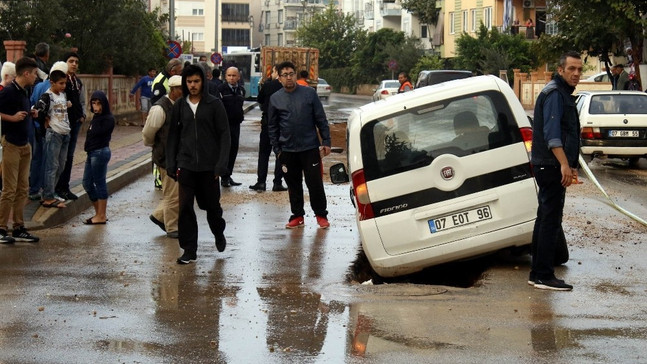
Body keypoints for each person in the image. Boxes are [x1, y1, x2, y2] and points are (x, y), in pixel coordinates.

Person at [166, 64, 231, 264]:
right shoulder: (179, 106)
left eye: (196, 81)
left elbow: (224, 135)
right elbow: (173, 137)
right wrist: (171, 163)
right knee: (185, 207)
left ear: (203, 81)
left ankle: (218, 232)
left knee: (211, 207)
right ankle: (189, 250)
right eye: (189, 82)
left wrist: (220, 165)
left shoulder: (214, 104)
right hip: (186, 165)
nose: (193, 85)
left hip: (209, 168)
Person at [529, 50, 582, 291]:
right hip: (550, 165)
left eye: (580, 69)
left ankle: (537, 272)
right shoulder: (555, 94)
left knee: (545, 218)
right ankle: (543, 275)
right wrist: (563, 164)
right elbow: (553, 136)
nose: (576, 74)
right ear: (560, 70)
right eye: (571, 69)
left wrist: (570, 165)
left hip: (550, 164)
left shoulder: (560, 93)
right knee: (550, 220)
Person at [268, 61, 332, 229]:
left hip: (310, 148)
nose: (289, 77)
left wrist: (326, 141)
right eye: (285, 75)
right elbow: (272, 127)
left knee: (315, 183)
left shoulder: (309, 94)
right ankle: (297, 216)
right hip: (287, 150)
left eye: (291, 74)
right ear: (279, 78)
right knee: (293, 185)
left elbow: (321, 119)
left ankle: (321, 215)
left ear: (295, 75)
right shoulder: (275, 98)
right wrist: (277, 150)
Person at [0, 57, 41, 243]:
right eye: (34, 73)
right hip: (11, 144)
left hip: (25, 144)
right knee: (9, 189)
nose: (35, 77)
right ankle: (1, 228)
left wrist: (31, 113)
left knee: (22, 188)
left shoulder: (24, 91)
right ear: (26, 73)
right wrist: (12, 117)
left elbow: (22, 111)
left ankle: (18, 227)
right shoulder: (8, 91)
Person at [142, 75, 183, 239]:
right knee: (173, 195)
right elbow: (148, 133)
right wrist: (158, 147)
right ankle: (172, 227)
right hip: (166, 158)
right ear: (173, 90)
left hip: (179, 157)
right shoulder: (160, 108)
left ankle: (159, 216)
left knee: (178, 192)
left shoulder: (181, 106)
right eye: (181, 89)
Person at [32, 63, 72, 209]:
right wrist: (44, 123)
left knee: (60, 165)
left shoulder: (62, 95)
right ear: (52, 82)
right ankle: (48, 196)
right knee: (52, 166)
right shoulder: (47, 96)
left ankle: (51, 191)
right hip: (54, 134)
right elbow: (37, 109)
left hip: (65, 133)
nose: (63, 86)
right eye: (60, 83)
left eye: (64, 83)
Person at [250, 65, 287, 192]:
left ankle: (261, 182)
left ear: (277, 72)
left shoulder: (267, 85)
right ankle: (277, 182)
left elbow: (259, 99)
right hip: (282, 125)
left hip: (267, 124)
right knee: (280, 154)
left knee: (264, 154)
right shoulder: (286, 87)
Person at [55, 52, 86, 201]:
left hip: (75, 123)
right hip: (62, 125)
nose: (74, 64)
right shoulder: (60, 82)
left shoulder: (77, 82)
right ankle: (57, 188)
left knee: (70, 156)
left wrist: (82, 115)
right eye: (71, 61)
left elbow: (82, 101)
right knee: (60, 157)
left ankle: (65, 187)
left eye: (76, 62)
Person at [82, 90, 115, 225]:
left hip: (100, 153)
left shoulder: (107, 119)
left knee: (99, 182)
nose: (96, 106)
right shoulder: (96, 118)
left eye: (98, 103)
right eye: (93, 103)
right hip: (91, 153)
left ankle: (101, 215)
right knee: (86, 183)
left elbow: (97, 134)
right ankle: (99, 213)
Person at [218, 66, 245, 187]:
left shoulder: (241, 90)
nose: (231, 78)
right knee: (225, 151)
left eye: (234, 75)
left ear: (238, 77)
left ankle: (228, 175)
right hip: (224, 126)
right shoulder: (221, 90)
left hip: (236, 125)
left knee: (234, 150)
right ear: (225, 77)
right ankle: (223, 177)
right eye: (229, 75)